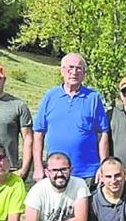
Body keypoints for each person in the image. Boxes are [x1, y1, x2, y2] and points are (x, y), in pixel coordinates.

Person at [32, 53, 110, 183]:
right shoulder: (50, 97)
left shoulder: (93, 98)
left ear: (84, 73)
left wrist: (103, 167)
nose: (74, 72)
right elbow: (38, 133)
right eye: (70, 67)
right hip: (56, 171)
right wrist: (38, 166)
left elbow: (102, 134)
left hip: (87, 172)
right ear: (62, 71)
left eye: (79, 68)